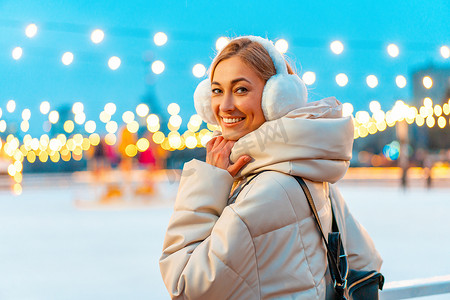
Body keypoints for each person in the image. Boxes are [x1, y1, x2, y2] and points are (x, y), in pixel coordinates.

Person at [159, 36, 382, 299]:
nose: (225, 106)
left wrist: (206, 185)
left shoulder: (266, 191)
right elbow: (364, 258)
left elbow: (184, 284)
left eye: (241, 90)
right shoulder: (308, 172)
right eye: (217, 90)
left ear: (276, 98)